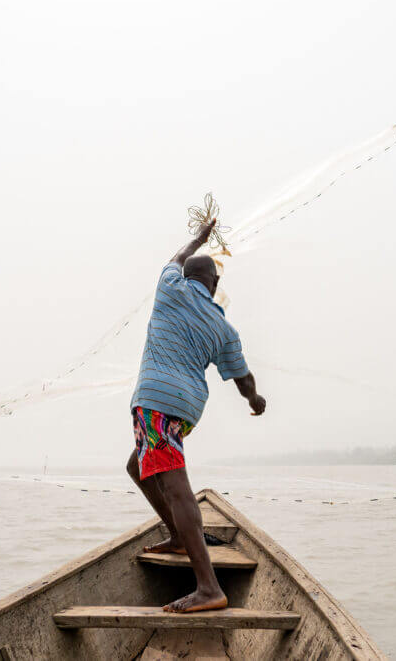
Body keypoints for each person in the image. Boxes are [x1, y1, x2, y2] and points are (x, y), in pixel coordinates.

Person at [126, 217, 266, 614]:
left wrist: (199, 238)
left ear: (187, 275)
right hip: (185, 410)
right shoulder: (224, 328)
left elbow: (177, 256)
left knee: (175, 485)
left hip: (156, 401)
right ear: (214, 285)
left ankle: (209, 588)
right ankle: (176, 534)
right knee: (138, 467)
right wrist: (256, 402)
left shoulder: (169, 286)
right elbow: (243, 379)